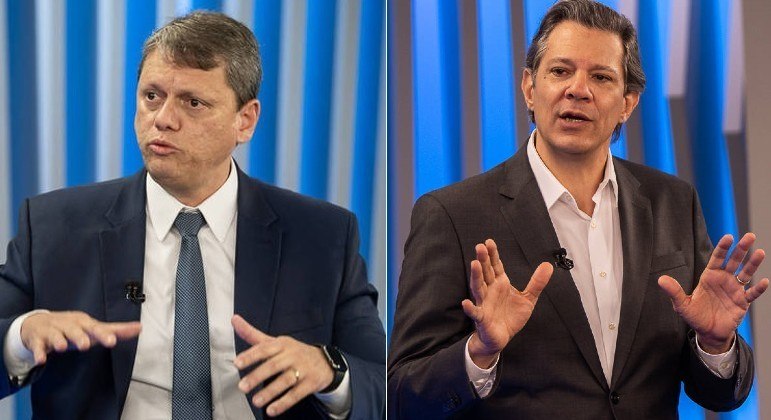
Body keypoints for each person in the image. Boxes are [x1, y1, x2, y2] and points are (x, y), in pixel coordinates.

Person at [387, 0, 768, 418]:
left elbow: (720, 396)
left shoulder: (673, 201)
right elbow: (402, 393)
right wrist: (479, 352)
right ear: (529, 88)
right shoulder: (452, 215)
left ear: (627, 103)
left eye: (601, 77)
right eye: (560, 71)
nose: (578, 89)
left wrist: (715, 344)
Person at [0, 11, 384, 420]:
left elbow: (384, 385)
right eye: (152, 96)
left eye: (193, 102)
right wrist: (19, 338)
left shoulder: (322, 236)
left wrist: (328, 371)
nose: (163, 119)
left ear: (245, 121)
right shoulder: (54, 227)